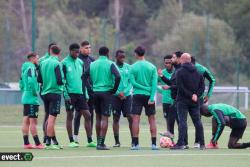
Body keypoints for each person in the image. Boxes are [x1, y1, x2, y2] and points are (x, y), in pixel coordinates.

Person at [62, 43, 96, 148]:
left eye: (78, 52)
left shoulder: (80, 62)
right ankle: (72, 140)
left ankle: (89, 140)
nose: (77, 54)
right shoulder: (64, 63)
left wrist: (85, 93)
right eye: (75, 52)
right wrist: (66, 95)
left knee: (88, 115)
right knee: (70, 116)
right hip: (70, 94)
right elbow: (63, 81)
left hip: (81, 94)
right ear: (70, 51)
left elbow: (83, 79)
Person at [88, 46, 121, 150]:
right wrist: (114, 90)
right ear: (108, 53)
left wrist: (90, 88)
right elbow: (118, 76)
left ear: (99, 53)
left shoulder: (93, 64)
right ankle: (101, 144)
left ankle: (99, 142)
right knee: (104, 118)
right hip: (106, 93)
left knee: (97, 117)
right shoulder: (110, 63)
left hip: (95, 92)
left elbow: (83, 76)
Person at [171, 53, 205, 150]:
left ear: (181, 60)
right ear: (190, 60)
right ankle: (202, 144)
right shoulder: (198, 72)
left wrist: (190, 95)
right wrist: (196, 95)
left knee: (182, 121)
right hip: (195, 101)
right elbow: (202, 87)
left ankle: (181, 143)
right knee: (197, 121)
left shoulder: (180, 72)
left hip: (182, 100)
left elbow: (180, 87)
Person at [130, 46, 158, 150]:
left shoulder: (132, 67)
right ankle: (154, 144)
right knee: (152, 119)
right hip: (148, 96)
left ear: (136, 54)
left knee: (136, 119)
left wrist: (142, 87)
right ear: (144, 54)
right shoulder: (152, 67)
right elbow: (154, 84)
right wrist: (151, 96)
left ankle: (136, 144)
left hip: (137, 95)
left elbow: (133, 83)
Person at [38, 45, 64, 150]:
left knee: (49, 117)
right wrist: (64, 83)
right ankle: (48, 142)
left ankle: (55, 141)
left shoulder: (42, 63)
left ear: (50, 51)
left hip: (45, 93)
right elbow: (59, 80)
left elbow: (39, 79)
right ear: (59, 52)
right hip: (55, 93)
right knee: (52, 119)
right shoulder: (57, 63)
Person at [19, 52, 44, 149]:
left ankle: (26, 143)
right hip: (31, 97)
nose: (38, 60)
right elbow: (32, 81)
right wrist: (35, 92)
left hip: (25, 96)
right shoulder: (31, 68)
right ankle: (38, 144)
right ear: (33, 58)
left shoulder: (24, 68)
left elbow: (20, 82)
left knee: (26, 121)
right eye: (37, 58)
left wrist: (25, 90)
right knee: (33, 121)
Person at [191, 56, 216, 148]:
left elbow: (212, 80)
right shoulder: (182, 68)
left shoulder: (202, 69)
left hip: (198, 98)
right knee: (181, 119)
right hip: (185, 97)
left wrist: (208, 95)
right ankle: (182, 142)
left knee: (197, 119)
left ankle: (198, 141)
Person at [74, 41, 95, 143]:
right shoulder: (77, 60)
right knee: (78, 114)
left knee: (91, 114)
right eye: (86, 48)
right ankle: (75, 137)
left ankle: (90, 137)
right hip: (80, 91)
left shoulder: (92, 60)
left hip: (91, 91)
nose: (88, 50)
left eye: (89, 48)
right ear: (81, 49)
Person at [112, 50, 133, 147]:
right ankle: (117, 141)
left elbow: (131, 82)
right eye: (121, 57)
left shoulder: (129, 67)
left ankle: (134, 140)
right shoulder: (112, 66)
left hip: (127, 96)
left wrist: (124, 92)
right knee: (116, 118)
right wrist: (117, 92)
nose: (122, 59)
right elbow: (110, 81)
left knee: (130, 117)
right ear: (116, 57)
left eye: (124, 57)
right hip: (115, 96)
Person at [38, 42, 57, 144]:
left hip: (48, 89)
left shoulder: (54, 60)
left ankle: (48, 137)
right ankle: (47, 136)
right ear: (50, 49)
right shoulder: (42, 60)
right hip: (46, 89)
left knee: (49, 114)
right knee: (49, 114)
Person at [157, 55, 174, 137]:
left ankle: (183, 141)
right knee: (167, 119)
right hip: (166, 101)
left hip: (175, 100)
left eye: (169, 63)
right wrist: (162, 91)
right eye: (166, 63)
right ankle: (170, 138)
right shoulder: (162, 73)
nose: (167, 64)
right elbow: (154, 83)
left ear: (172, 63)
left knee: (178, 120)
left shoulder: (177, 72)